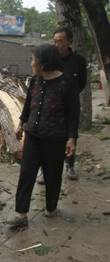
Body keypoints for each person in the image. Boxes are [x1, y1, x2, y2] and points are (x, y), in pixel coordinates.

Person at [7, 44, 80, 228]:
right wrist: (21, 124)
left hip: (55, 138)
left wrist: (72, 138)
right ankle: (21, 214)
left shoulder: (67, 83)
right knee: (26, 174)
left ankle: (51, 207)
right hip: (33, 136)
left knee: (53, 175)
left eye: (33, 60)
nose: (31, 63)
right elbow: (28, 105)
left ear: (43, 62)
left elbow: (73, 114)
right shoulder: (35, 80)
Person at [37, 27, 87, 184]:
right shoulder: (50, 59)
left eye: (60, 41)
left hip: (70, 105)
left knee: (71, 135)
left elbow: (82, 83)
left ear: (69, 42)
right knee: (47, 137)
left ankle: (69, 165)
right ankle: (45, 170)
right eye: (55, 41)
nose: (56, 44)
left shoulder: (78, 61)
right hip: (50, 106)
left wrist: (69, 96)